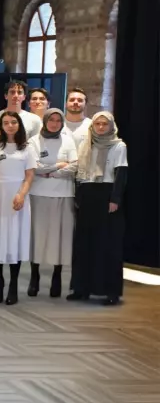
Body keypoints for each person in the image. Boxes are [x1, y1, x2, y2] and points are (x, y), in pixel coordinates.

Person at [68, 111, 127, 306]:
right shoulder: (86, 144)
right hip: (87, 194)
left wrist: (115, 199)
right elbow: (79, 174)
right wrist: (78, 197)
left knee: (108, 243)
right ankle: (81, 288)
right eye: (97, 124)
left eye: (104, 124)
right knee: (84, 242)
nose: (101, 127)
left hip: (106, 194)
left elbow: (121, 174)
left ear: (111, 126)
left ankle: (110, 291)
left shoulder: (118, 146)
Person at [0, 111, 36, 305]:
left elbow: (29, 175)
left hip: (17, 196)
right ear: (1, 126)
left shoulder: (27, 148)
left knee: (15, 237)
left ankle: (13, 284)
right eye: (6, 123)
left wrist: (21, 194)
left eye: (13, 122)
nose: (10, 125)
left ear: (19, 124)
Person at [27, 108, 78, 298]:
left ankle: (57, 276)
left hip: (64, 194)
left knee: (61, 237)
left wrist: (52, 173)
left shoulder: (68, 140)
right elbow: (34, 166)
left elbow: (75, 165)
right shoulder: (34, 141)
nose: (55, 124)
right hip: (38, 194)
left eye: (58, 120)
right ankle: (34, 276)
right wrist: (58, 165)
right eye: (51, 120)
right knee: (37, 236)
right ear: (45, 121)